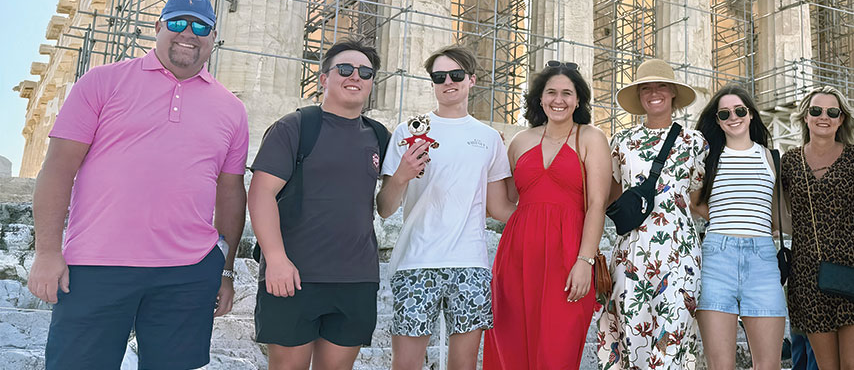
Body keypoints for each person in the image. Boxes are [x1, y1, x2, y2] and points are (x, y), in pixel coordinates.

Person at [27, 0, 249, 370]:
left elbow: (230, 191)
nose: (188, 33)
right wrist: (47, 252)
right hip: (97, 266)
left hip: (188, 273)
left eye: (201, 27)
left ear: (213, 38)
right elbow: (58, 168)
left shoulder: (232, 109)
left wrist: (224, 271)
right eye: (177, 23)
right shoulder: (102, 81)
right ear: (158, 27)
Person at [248, 40, 390, 369]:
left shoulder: (379, 136)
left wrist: (405, 175)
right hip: (294, 275)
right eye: (345, 69)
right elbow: (260, 193)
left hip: (356, 279)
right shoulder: (294, 126)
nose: (355, 76)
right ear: (324, 78)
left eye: (365, 72)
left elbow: (386, 204)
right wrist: (276, 259)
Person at [377, 45, 513, 370]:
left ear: (471, 79)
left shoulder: (489, 138)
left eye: (456, 74)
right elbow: (385, 208)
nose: (448, 82)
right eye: (439, 77)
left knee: (463, 365)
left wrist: (559, 217)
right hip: (416, 261)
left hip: (470, 263)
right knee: (405, 364)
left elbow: (499, 207)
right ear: (433, 83)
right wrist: (402, 175)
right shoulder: (407, 132)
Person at [482, 61, 610, 369]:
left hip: (569, 258)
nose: (558, 99)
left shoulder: (591, 138)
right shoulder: (520, 141)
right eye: (551, 92)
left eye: (567, 93)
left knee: (557, 352)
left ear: (578, 100)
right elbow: (501, 206)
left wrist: (584, 261)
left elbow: (597, 204)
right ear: (540, 98)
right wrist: (488, 155)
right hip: (517, 256)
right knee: (511, 350)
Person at [596, 59, 707, 370]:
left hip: (680, 253)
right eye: (646, 88)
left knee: (673, 337)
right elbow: (610, 197)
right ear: (639, 96)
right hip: (631, 253)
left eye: (661, 86)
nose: (654, 93)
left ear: (672, 93)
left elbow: (696, 201)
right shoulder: (621, 141)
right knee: (631, 336)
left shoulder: (695, 142)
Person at [780, 86, 854, 370]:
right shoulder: (790, 162)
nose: (823, 116)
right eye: (816, 110)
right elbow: (782, 213)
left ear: (841, 119)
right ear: (805, 117)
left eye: (832, 112)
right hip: (809, 276)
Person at [691, 84, 785, 370]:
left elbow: (777, 210)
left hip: (762, 258)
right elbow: (694, 201)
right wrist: (725, 218)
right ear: (717, 121)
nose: (733, 117)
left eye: (740, 111)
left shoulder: (770, 157)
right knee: (720, 366)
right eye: (724, 114)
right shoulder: (708, 157)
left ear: (751, 114)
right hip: (717, 257)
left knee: (769, 365)